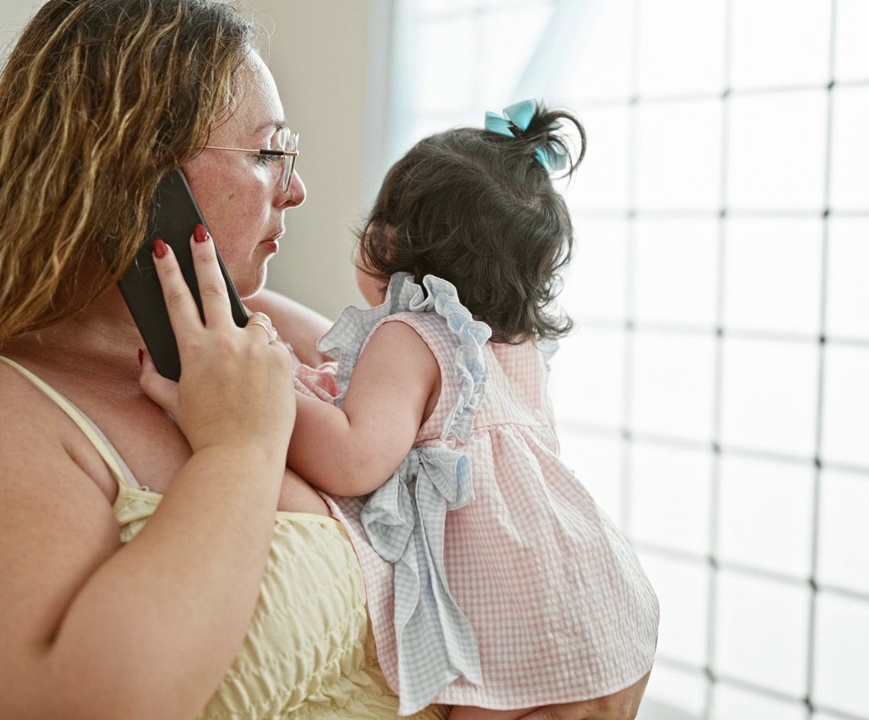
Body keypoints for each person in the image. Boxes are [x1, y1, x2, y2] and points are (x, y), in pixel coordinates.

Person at [0, 1, 649, 717]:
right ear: (132, 170)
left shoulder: (263, 339)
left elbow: (471, 462)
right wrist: (239, 450)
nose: (298, 189)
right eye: (270, 150)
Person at [283, 101, 660, 719]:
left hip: (522, 632)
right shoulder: (514, 346)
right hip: (608, 602)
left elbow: (354, 459)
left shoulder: (407, 334)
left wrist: (270, 390)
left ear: (386, 241)